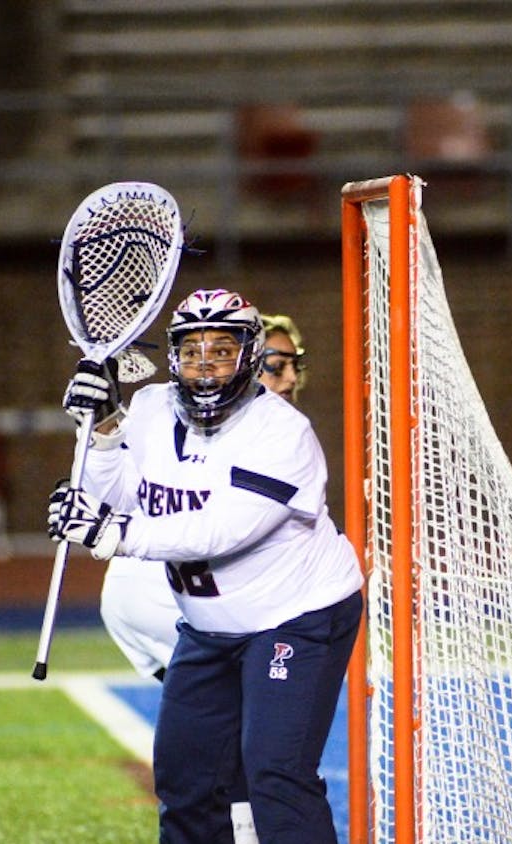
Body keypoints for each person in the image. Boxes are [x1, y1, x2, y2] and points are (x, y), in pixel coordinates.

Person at [49, 290, 362, 844]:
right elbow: (120, 495)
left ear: (249, 354)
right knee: (185, 779)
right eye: (192, 352)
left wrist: (113, 533)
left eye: (221, 350)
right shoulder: (150, 408)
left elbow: (222, 531)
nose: (205, 366)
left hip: (295, 616)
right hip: (209, 627)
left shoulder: (282, 432)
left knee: (276, 775)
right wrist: (100, 432)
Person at [91, 313, 309, 843]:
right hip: (165, 592)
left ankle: (229, 822)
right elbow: (210, 530)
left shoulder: (268, 429)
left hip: (176, 588)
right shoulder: (202, 422)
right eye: (274, 364)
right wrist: (101, 430)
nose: (285, 378)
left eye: (293, 366)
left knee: (224, 742)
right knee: (240, 739)